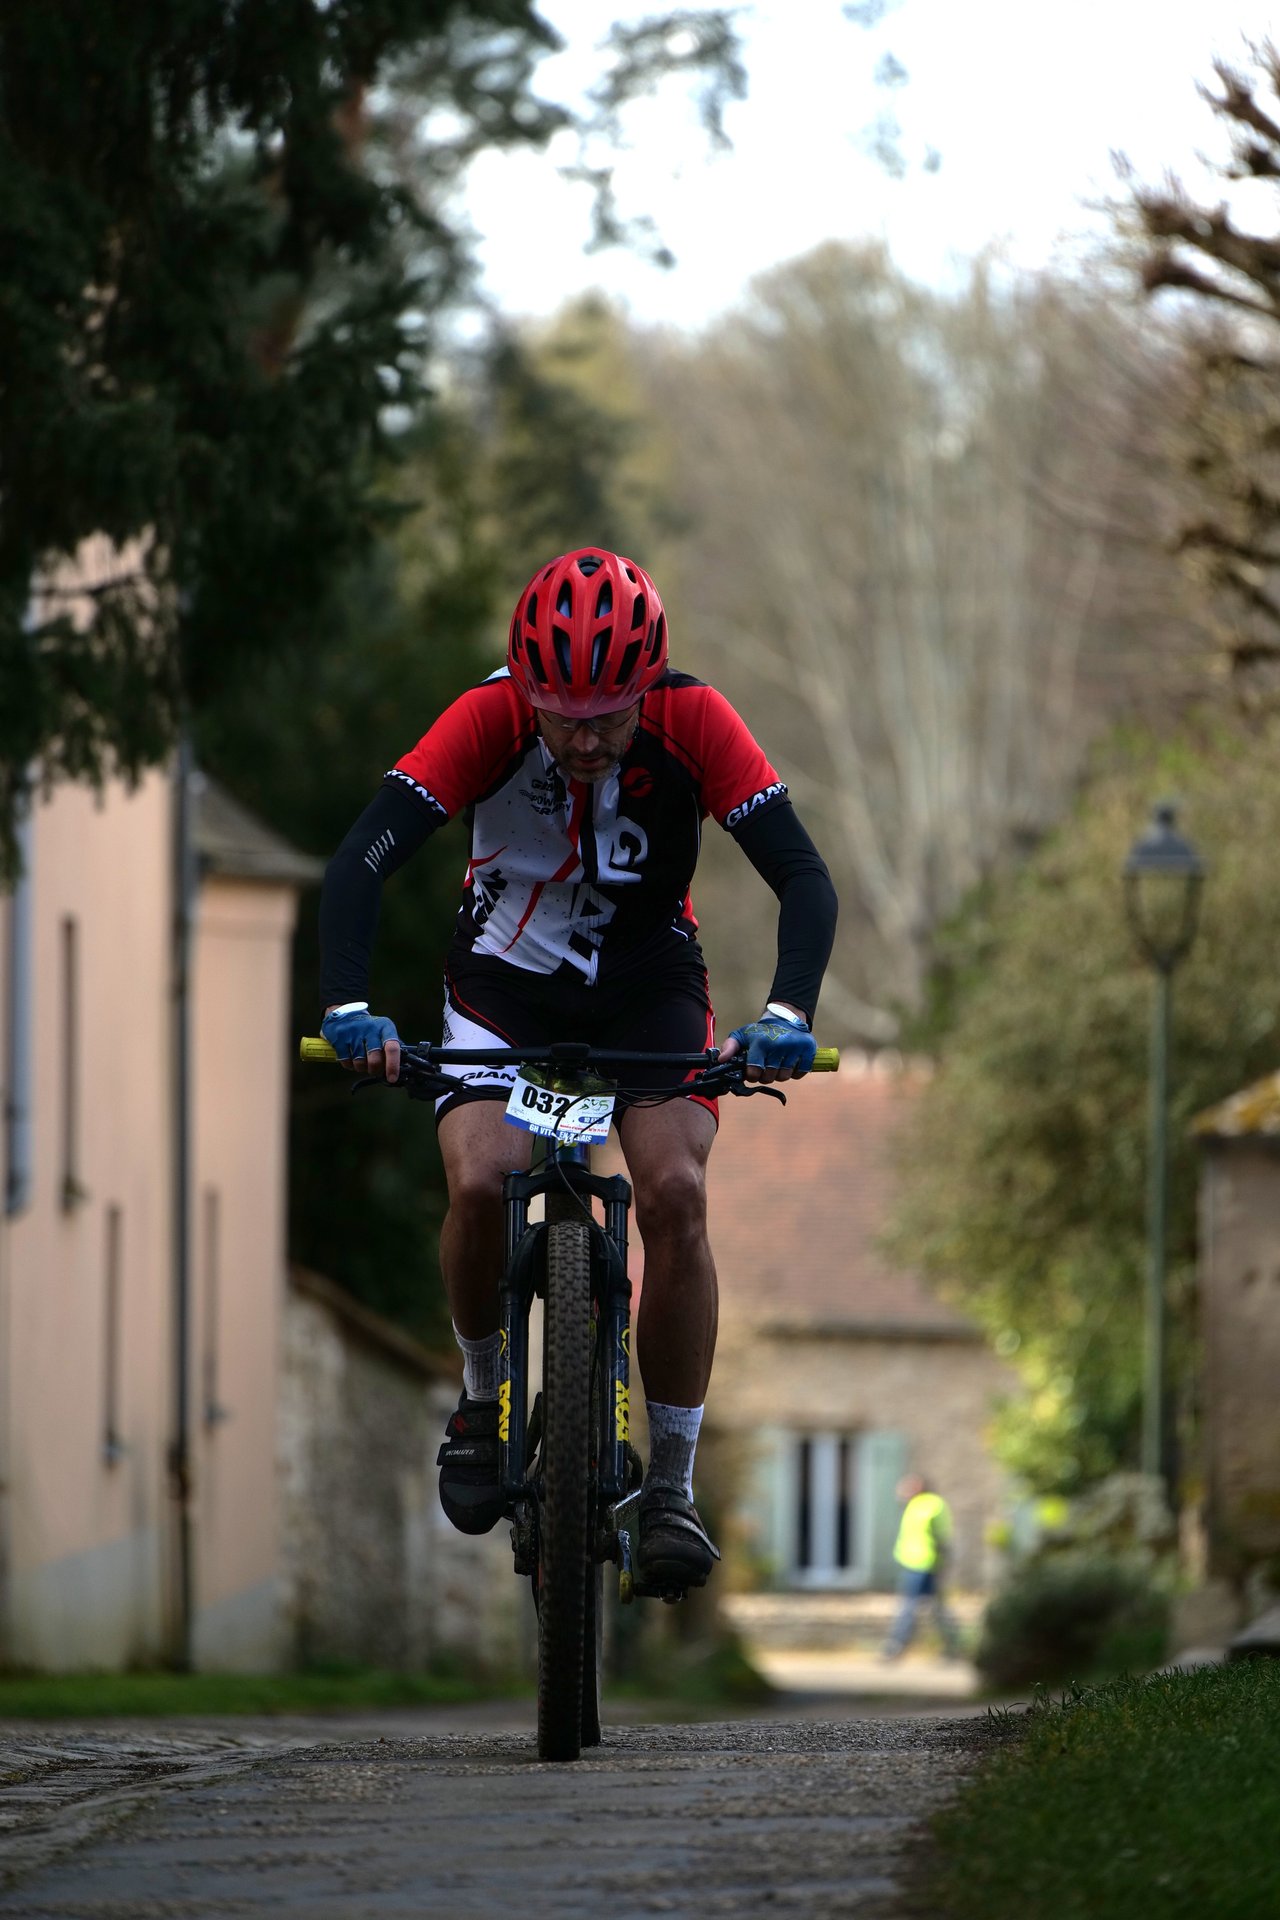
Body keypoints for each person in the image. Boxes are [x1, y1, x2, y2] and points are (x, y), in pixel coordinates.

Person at [318, 547, 837, 1589]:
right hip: (501, 982)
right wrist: (348, 1006)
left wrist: (787, 1012)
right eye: (562, 717)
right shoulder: (485, 718)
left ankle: (672, 1487)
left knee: (676, 1192)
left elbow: (801, 875)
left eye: (610, 714)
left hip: (648, 982)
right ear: (526, 689)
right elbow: (362, 858)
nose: (588, 739)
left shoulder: (696, 720)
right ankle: (482, 1399)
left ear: (650, 685)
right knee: (478, 1180)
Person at [880, 1473, 963, 1660]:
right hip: (918, 1563)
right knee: (937, 1608)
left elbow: (941, 1535)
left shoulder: (929, 1505)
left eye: (906, 1486)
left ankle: (895, 1645)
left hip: (922, 1564)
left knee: (909, 1605)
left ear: (918, 1486)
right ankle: (954, 1645)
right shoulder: (916, 1505)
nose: (901, 1490)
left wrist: (943, 1559)